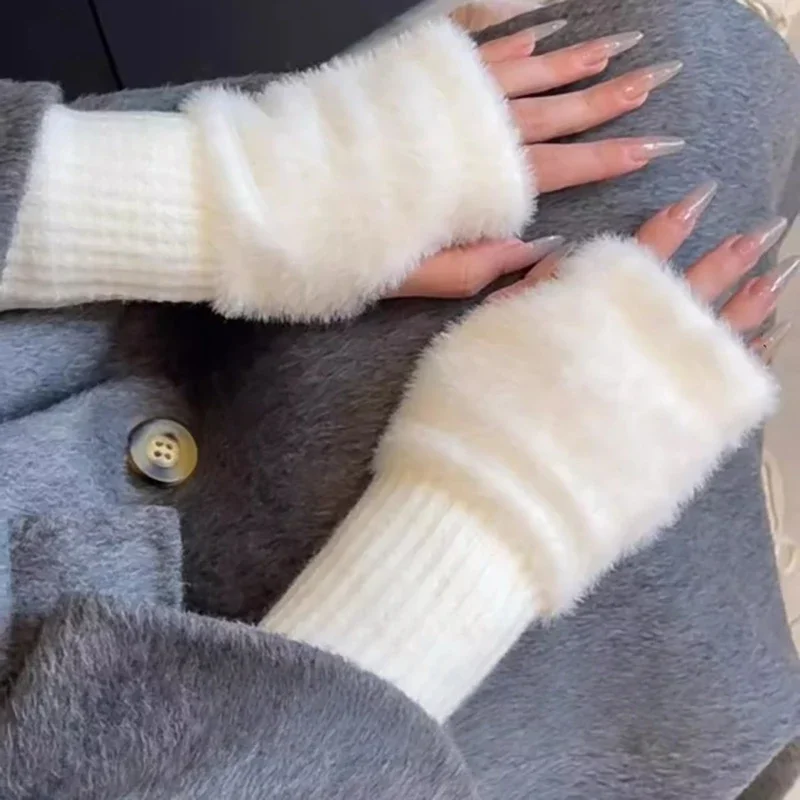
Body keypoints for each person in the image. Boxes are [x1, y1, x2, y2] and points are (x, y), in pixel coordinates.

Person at [0, 1, 798, 798]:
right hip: (355, 681)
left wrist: (201, 195)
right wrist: (491, 524)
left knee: (677, 70)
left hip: (87, 327)